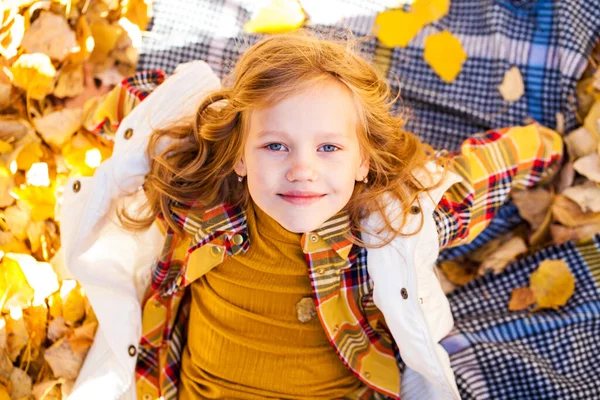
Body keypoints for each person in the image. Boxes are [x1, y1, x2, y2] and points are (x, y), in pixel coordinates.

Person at [60, 30, 563, 400]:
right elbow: (151, 110)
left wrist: (551, 147)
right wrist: (91, 109)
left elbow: (476, 180)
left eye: (328, 147)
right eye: (276, 145)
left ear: (363, 160)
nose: (302, 169)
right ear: (239, 154)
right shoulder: (207, 201)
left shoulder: (386, 226)